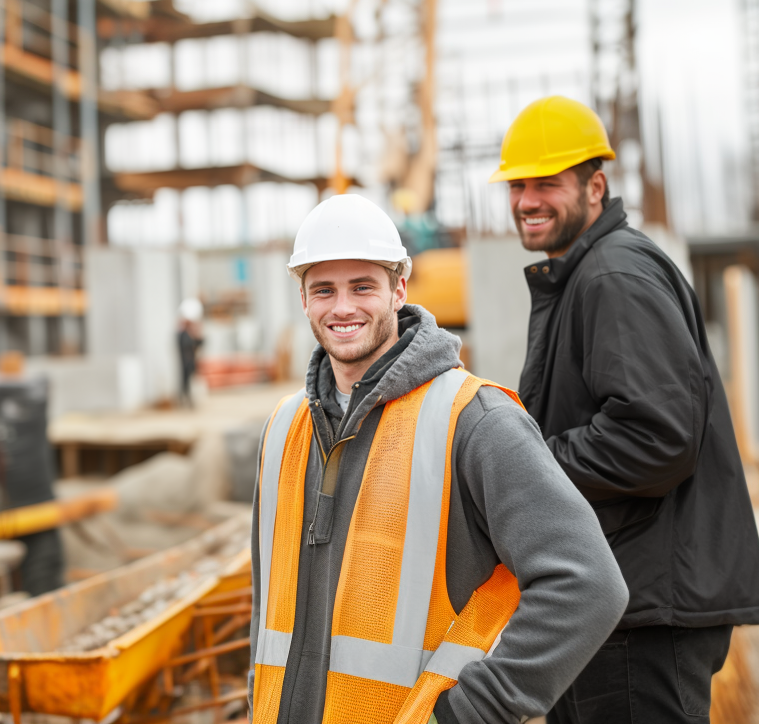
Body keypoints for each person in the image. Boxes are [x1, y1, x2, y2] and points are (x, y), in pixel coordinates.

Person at [249, 193, 628, 724]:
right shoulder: (283, 431)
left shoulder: (473, 419)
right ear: (303, 298)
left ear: (399, 289)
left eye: (363, 287)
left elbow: (588, 584)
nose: (342, 308)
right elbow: (267, 610)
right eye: (323, 290)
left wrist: (470, 712)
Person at [488, 96, 759, 724]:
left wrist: (522, 463)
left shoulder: (611, 277)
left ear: (595, 187)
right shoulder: (589, 274)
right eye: (518, 184)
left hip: (640, 608)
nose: (526, 200)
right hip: (621, 597)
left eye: (547, 183)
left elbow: (656, 438)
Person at [177, 298, 204, 408]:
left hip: (191, 362)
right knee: (185, 381)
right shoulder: (182, 334)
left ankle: (190, 400)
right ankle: (185, 400)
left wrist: (197, 332)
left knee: (192, 380)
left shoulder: (191, 333)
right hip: (185, 362)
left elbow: (200, 343)